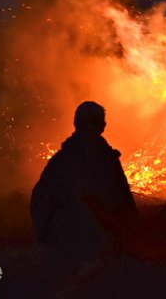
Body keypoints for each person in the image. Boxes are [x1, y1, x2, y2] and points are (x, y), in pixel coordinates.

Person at [30, 101, 137, 263]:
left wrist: (45, 237)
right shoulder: (106, 161)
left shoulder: (61, 160)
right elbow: (125, 204)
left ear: (76, 124)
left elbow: (39, 201)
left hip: (63, 247)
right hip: (99, 249)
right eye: (100, 122)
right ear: (101, 126)